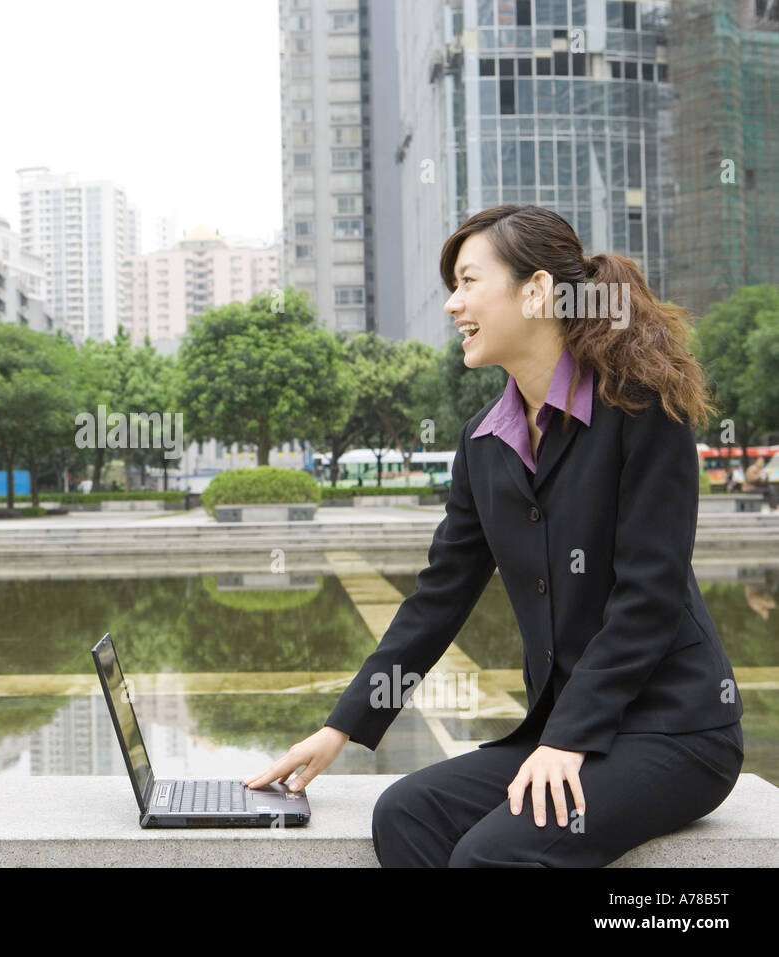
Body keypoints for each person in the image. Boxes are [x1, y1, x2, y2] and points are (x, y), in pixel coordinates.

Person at [244, 204, 745, 867]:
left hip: (672, 730)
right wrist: (342, 726)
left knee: (494, 853)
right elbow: (440, 594)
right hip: (568, 729)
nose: (453, 305)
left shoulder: (642, 407)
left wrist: (565, 741)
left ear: (536, 291)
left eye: (469, 281)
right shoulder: (484, 441)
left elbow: (648, 596)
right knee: (406, 814)